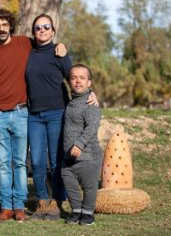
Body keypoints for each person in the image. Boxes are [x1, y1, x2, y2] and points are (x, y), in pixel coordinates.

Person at [0, 9, 67, 221]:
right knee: (3, 163)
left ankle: (19, 206)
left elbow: (46, 44)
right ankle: (5, 207)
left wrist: (62, 45)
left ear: (10, 26)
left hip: (21, 113)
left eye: (4, 25)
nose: (1, 29)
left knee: (19, 162)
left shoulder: (25, 43)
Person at [25, 14, 73, 221]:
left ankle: (56, 202)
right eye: (37, 27)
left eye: (46, 27)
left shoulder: (59, 53)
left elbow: (75, 79)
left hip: (57, 113)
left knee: (55, 161)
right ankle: (43, 202)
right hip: (33, 115)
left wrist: (91, 94)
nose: (42, 30)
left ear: (53, 31)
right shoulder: (27, 52)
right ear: (33, 32)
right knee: (36, 162)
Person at [61, 64, 103, 226]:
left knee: (89, 187)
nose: (78, 81)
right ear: (70, 82)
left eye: (82, 78)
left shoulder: (90, 104)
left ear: (89, 83)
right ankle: (76, 210)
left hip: (88, 156)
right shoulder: (71, 102)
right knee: (69, 184)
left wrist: (79, 144)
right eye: (74, 78)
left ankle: (87, 214)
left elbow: (92, 127)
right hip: (68, 157)